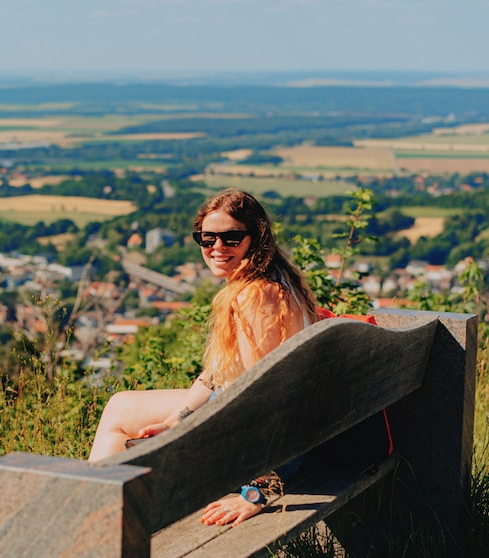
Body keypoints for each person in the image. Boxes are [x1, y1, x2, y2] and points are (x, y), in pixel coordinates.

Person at [87, 189, 320, 526]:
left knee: (120, 430)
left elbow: (264, 396)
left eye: (231, 238)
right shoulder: (271, 281)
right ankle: (105, 518)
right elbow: (217, 373)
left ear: (256, 239)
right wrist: (176, 420)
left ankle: (96, 524)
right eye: (207, 238)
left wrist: (259, 491)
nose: (217, 248)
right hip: (296, 430)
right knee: (122, 408)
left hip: (281, 450)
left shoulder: (256, 296)